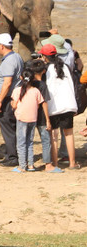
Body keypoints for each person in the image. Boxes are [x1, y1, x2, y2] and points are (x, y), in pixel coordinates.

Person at [41, 44, 78, 172]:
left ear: (45, 56)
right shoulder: (65, 67)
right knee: (69, 134)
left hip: (54, 107)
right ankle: (72, 163)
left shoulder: (46, 70)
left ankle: (55, 164)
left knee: (54, 136)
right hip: (68, 104)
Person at [10, 62, 49, 172]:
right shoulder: (36, 91)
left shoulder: (17, 90)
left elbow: (14, 104)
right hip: (33, 119)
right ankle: (30, 165)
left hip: (22, 119)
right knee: (29, 142)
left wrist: (12, 105)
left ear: (21, 77)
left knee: (21, 143)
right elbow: (41, 102)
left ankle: (22, 166)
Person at [0, 33, 24, 166]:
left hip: (7, 99)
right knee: (12, 127)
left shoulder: (9, 61)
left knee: (8, 128)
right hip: (13, 97)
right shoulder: (16, 57)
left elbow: (7, 82)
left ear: (1, 46)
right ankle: (12, 153)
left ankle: (12, 157)